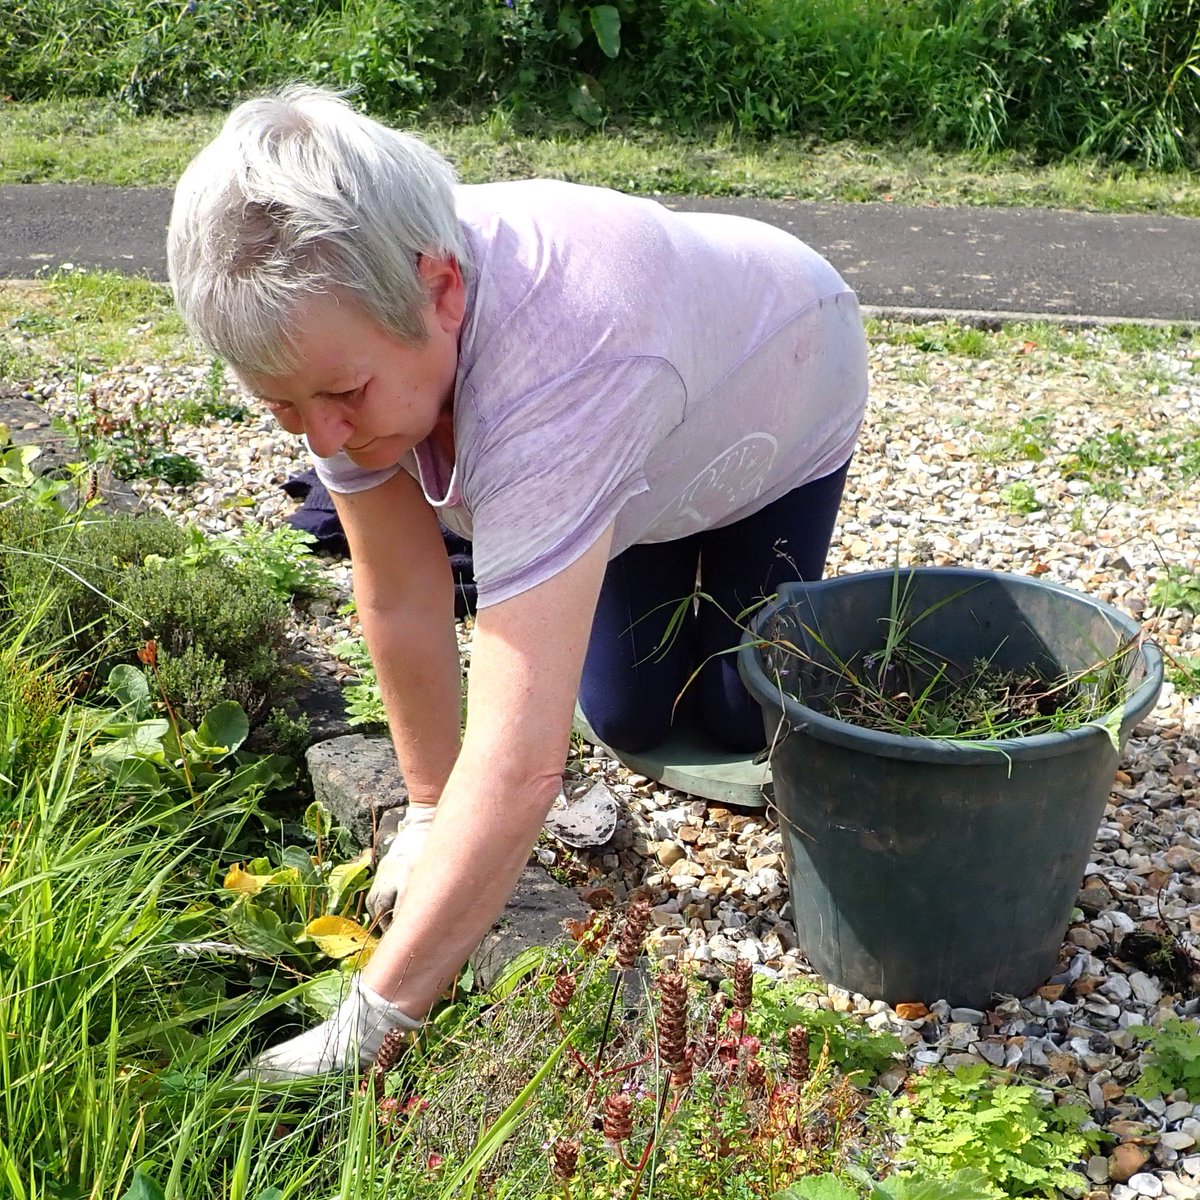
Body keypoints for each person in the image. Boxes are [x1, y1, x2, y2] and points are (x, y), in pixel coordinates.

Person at [167, 85, 869, 1081]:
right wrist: (423, 811)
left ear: (443, 291)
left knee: (738, 707)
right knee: (628, 713)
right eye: (281, 404)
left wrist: (369, 1025)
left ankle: (872, 627)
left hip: (784, 389)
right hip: (644, 451)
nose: (322, 439)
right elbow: (403, 595)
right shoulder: (351, 324)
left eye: (341, 396)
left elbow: (523, 766)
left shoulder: (564, 367)